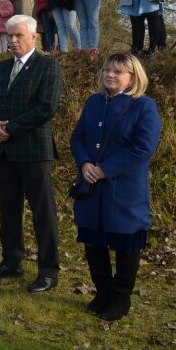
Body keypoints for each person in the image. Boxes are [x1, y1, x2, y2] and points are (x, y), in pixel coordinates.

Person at [70, 52, 161, 321]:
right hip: (91, 186)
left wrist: (105, 170)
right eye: (107, 70)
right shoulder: (94, 101)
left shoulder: (144, 106)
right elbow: (78, 137)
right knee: (93, 241)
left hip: (124, 189)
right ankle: (103, 292)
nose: (110, 75)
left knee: (125, 244)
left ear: (132, 77)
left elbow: (144, 147)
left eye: (118, 72)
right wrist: (85, 163)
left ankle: (120, 299)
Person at [0, 15, 63, 293]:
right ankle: (11, 260)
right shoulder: (1, 69)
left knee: (43, 213)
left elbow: (45, 108)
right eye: (9, 35)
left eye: (18, 36)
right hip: (4, 153)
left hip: (33, 151)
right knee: (9, 210)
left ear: (33, 37)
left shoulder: (48, 67)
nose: (12, 41)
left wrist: (10, 129)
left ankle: (48, 271)